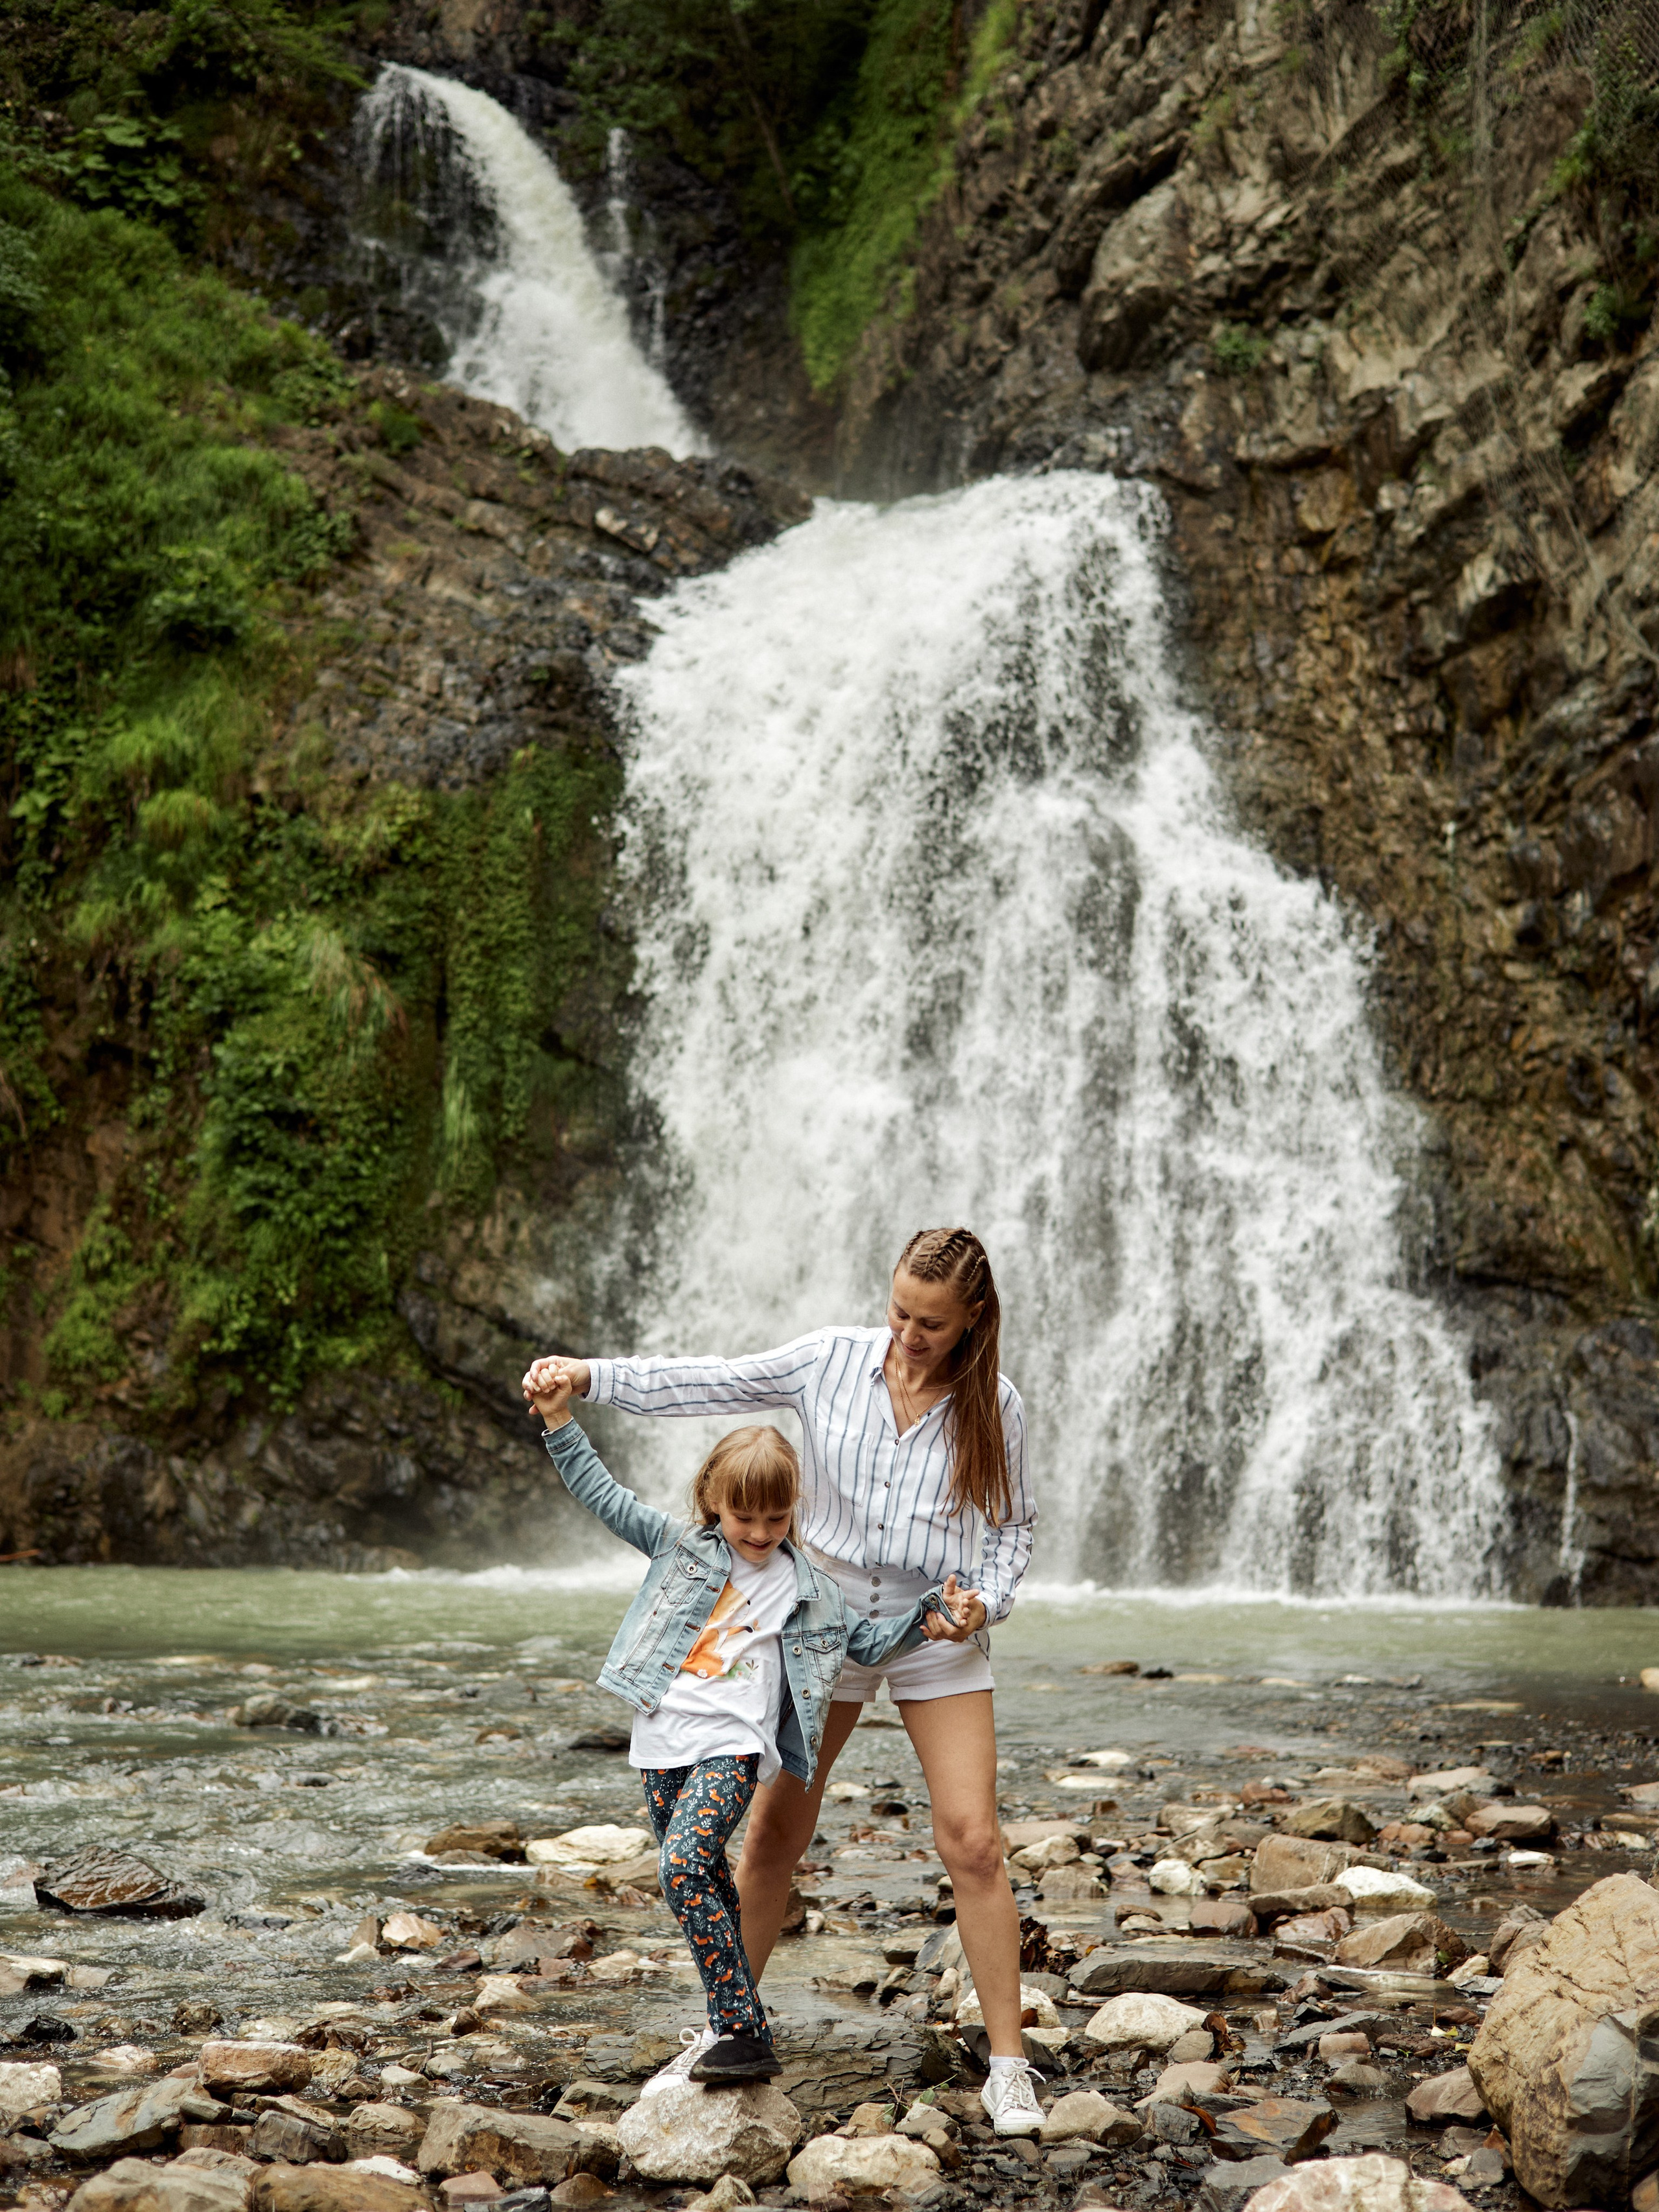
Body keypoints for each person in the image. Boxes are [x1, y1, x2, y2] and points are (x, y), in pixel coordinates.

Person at [522, 1226, 1044, 2136]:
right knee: (772, 1833)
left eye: (930, 1323)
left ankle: (1009, 2066)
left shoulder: (995, 1404)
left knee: (975, 1842)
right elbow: (711, 1381)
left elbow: (1012, 1527)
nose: (908, 1336)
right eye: (899, 1313)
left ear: (972, 1320)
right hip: (813, 1620)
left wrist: (983, 1604)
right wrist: (590, 1377)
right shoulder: (829, 1362)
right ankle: (729, 2024)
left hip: (931, 1622)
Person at [520, 1356, 973, 2091]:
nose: (760, 1530)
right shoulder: (677, 1548)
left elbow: (866, 1644)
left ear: (795, 1506)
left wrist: (930, 1619)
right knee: (702, 1886)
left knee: (681, 1864)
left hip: (735, 1746)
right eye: (745, 1515)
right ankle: (742, 2024)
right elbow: (602, 1495)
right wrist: (559, 1418)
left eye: (776, 1515)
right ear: (712, 1500)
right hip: (661, 1741)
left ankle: (736, 2028)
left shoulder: (810, 1586)